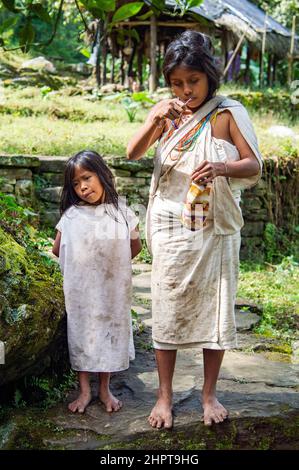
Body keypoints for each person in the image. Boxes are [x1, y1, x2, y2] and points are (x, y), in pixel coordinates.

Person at [127, 30, 262, 428]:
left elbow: (254, 166)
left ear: (210, 77)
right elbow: (132, 152)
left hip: (215, 228)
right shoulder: (166, 113)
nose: (186, 90)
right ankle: (164, 397)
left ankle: (209, 395)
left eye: (194, 81)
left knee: (215, 310)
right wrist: (154, 119)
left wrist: (223, 167)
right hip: (170, 224)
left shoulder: (227, 114)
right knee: (166, 308)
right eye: (177, 83)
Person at [52, 150, 142, 414]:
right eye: (76, 184)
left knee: (109, 333)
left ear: (102, 174)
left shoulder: (123, 212)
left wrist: (112, 268)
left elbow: (134, 247)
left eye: (87, 178)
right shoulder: (71, 217)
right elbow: (59, 249)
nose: (82, 187)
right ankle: (85, 390)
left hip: (112, 289)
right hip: (81, 289)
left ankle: (104, 389)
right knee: (81, 332)